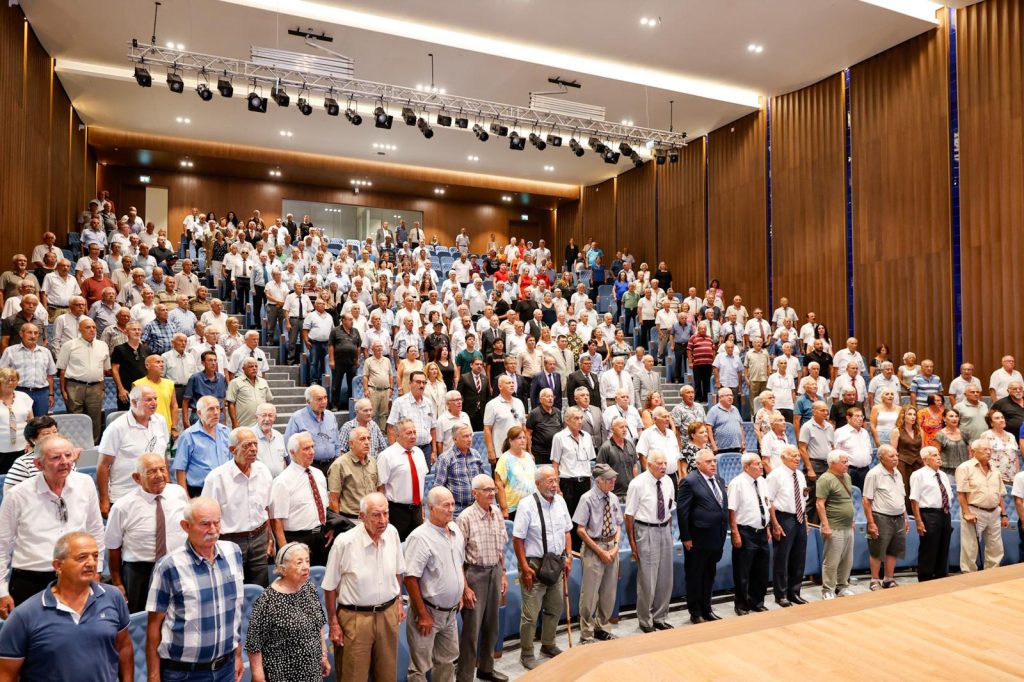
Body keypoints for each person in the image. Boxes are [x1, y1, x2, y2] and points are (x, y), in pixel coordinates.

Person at [0, 532, 133, 681]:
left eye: (95, 556)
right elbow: (6, 674)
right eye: (82, 557)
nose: (91, 563)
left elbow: (124, 647)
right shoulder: (24, 615)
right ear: (58, 565)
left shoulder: (113, 597)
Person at [0, 435, 104, 614]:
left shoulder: (85, 483)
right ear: (39, 464)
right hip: (31, 578)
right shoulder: (17, 496)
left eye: (68, 455)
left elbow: (95, 530)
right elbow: (2, 545)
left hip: (76, 575)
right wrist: (1, 591)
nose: (65, 462)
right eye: (56, 458)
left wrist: (97, 568)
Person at [145, 497, 246, 682]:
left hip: (226, 668)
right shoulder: (169, 566)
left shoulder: (234, 553)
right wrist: (153, 675)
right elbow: (153, 625)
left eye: (217, 522)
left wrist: (237, 655)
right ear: (185, 526)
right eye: (205, 524)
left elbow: (235, 612)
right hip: (184, 674)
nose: (213, 530)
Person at [323, 492, 405, 682]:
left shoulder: (392, 533)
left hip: (388, 614)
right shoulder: (344, 542)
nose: (382, 520)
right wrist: (334, 623)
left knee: (387, 675)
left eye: (386, 513)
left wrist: (399, 601)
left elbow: (398, 572)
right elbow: (329, 586)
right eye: (376, 515)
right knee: (353, 676)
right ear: (362, 517)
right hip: (355, 618)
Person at [105, 452, 187, 613]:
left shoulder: (178, 493)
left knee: (177, 613)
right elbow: (113, 547)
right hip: (140, 572)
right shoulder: (123, 506)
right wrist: (117, 582)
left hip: (177, 565)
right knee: (143, 617)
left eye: (162, 469)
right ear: (136, 478)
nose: (159, 475)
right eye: (151, 471)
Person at [512, 466, 572, 670]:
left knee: (555, 607)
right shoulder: (526, 505)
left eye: (555, 480)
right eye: (550, 481)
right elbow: (518, 538)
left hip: (556, 562)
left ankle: (548, 644)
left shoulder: (561, 502)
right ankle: (527, 653)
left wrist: (569, 556)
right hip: (534, 564)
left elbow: (567, 531)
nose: (554, 485)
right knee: (530, 614)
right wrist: (524, 567)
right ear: (538, 484)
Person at [403, 487, 465, 682]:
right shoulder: (420, 537)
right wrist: (422, 614)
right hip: (428, 612)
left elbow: (459, 564)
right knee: (420, 667)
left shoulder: (455, 530)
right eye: (446, 505)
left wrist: (462, 592)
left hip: (451, 613)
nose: (451, 509)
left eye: (453, 504)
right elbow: (410, 578)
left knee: (447, 661)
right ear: (431, 508)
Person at [245, 542, 329, 682]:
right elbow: (254, 644)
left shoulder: (309, 588)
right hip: (282, 674)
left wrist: (324, 655)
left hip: (312, 671)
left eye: (307, 561)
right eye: (299, 562)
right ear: (282, 569)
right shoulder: (268, 600)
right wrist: (258, 675)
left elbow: (318, 624)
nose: (306, 567)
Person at [202, 427, 273, 587]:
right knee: (232, 589)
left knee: (260, 589)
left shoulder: (263, 471)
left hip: (259, 537)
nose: (254, 449)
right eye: (247, 445)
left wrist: (269, 538)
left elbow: (266, 509)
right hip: (229, 541)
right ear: (232, 450)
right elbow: (205, 518)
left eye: (255, 444)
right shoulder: (216, 478)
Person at [455, 475, 509, 682]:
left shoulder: (496, 513)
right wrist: (465, 588)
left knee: (492, 624)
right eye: (486, 490)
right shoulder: (465, 518)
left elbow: (501, 548)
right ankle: (465, 675)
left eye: (493, 489)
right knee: (472, 629)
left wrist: (503, 574)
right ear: (474, 493)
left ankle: (486, 668)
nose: (491, 493)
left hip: (494, 570)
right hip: (474, 573)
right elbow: (458, 557)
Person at [97, 384, 170, 514]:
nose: (154, 403)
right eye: (149, 400)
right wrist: (104, 499)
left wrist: (167, 485)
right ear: (134, 402)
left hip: (155, 492)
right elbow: (103, 466)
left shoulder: (161, 421)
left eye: (155, 398)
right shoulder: (116, 428)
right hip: (125, 494)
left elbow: (163, 456)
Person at [677, 449, 728, 623]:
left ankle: (707, 608)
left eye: (714, 460)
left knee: (709, 575)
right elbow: (682, 511)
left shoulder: (720, 480)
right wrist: (685, 536)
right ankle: (695, 611)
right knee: (695, 575)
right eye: (708, 461)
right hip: (697, 539)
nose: (713, 464)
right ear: (698, 464)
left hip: (716, 537)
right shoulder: (689, 482)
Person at [574, 463, 622, 643]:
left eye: (614, 479)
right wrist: (600, 551)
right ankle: (586, 632)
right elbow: (580, 529)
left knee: (609, 592)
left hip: (611, 547)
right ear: (598, 481)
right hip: (594, 548)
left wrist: (616, 546)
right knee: (590, 594)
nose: (613, 482)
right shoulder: (587, 499)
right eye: (609, 479)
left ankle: (603, 627)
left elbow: (618, 524)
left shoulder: (613, 498)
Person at [270, 433, 330, 567]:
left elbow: (324, 506)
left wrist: (328, 527)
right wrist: (285, 551)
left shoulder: (318, 474)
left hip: (320, 537)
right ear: (292, 452)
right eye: (306, 448)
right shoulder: (282, 481)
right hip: (297, 540)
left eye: (312, 447)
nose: (312, 452)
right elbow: (276, 521)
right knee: (299, 584)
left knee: (320, 579)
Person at [955, 438, 1009, 572]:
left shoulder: (995, 469)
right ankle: (969, 575)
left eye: (990, 449)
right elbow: (961, 493)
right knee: (970, 547)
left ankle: (992, 574)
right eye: (985, 449)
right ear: (974, 451)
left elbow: (999, 493)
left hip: (994, 511)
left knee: (996, 547)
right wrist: (967, 512)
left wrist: (1004, 514)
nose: (989, 452)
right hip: (974, 510)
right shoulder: (965, 468)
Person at [728, 453, 772, 615]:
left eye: (761, 463)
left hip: (761, 530)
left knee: (761, 570)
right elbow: (731, 510)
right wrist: (735, 533)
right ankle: (741, 605)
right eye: (757, 464)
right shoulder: (737, 483)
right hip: (745, 531)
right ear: (747, 467)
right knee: (743, 572)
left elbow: (765, 505)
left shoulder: (762, 481)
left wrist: (767, 527)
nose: (761, 466)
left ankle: (757, 602)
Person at [766, 445, 808, 607]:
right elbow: (768, 501)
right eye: (793, 456)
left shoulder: (800, 474)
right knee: (782, 557)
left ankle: (794, 591)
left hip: (799, 518)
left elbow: (803, 497)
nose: (797, 458)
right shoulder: (775, 475)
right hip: (783, 518)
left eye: (798, 455)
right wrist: (774, 524)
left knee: (799, 557)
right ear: (783, 458)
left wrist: (804, 519)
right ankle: (781, 594)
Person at [862, 445, 908, 590]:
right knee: (877, 550)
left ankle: (889, 578)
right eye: (891, 456)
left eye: (896, 455)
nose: (895, 459)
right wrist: (871, 522)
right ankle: (874, 579)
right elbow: (866, 500)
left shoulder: (897, 472)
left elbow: (901, 496)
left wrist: (906, 517)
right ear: (881, 458)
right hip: (881, 516)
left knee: (894, 549)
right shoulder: (874, 474)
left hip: (899, 516)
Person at [57, 317, 110, 443]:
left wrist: (102, 388)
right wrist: (63, 391)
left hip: (96, 387)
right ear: (79, 329)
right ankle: (75, 445)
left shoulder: (103, 345)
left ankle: (94, 445)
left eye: (94, 327)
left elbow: (103, 369)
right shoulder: (69, 345)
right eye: (88, 327)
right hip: (74, 386)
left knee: (95, 419)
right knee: (75, 418)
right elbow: (62, 370)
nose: (92, 330)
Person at [377, 418, 429, 540]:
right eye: (408, 433)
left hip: (417, 510)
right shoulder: (386, 456)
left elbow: (420, 482)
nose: (413, 436)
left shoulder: (419, 453)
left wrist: (421, 509)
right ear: (398, 435)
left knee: (417, 547)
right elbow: (380, 487)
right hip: (396, 511)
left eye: (414, 432)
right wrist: (384, 514)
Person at [909, 445, 954, 582]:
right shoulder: (918, 475)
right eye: (934, 455)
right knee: (929, 549)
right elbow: (914, 499)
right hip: (928, 514)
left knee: (943, 547)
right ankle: (925, 579)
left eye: (938, 454)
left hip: (945, 513)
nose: (938, 457)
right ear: (925, 459)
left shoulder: (943, 475)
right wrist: (918, 521)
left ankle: (940, 577)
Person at [173, 395, 231, 497]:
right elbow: (180, 470)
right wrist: (186, 499)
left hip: (225, 489)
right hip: (199, 491)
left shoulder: (226, 432)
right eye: (211, 409)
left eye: (218, 408)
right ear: (199, 413)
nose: (216, 413)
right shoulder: (188, 436)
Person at [816, 450, 855, 599]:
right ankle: (828, 589)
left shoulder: (847, 477)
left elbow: (848, 498)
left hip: (847, 525)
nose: (847, 464)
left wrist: (852, 519)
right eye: (844, 462)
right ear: (833, 463)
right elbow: (820, 503)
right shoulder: (825, 479)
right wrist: (825, 525)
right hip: (833, 525)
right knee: (832, 560)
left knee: (847, 560)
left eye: (847, 461)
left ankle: (843, 586)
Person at [0, 324, 55, 421]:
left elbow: (50, 375)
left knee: (41, 423)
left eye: (36, 333)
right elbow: (2, 374)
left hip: (41, 393)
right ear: (21, 334)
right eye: (29, 332)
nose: (33, 336)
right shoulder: (10, 351)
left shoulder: (46, 352)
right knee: (20, 421)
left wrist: (51, 394)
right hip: (18, 391)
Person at [284, 385, 341, 477]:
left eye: (325, 398)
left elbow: (337, 443)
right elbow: (289, 447)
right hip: (309, 466)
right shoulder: (297, 418)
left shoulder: (331, 416)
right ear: (308, 402)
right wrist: (298, 470)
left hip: (331, 465)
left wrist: (337, 461)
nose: (323, 402)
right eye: (319, 399)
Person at [327, 425, 379, 520]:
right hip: (351, 518)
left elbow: (379, 489)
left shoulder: (373, 462)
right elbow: (333, 500)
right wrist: (339, 523)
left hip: (372, 517)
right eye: (362, 439)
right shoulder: (339, 465)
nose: (367, 442)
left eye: (368, 438)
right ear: (351, 444)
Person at [798, 401, 834, 524]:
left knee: (827, 497)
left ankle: (822, 525)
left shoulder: (829, 426)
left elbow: (832, 446)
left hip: (828, 465)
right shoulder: (807, 426)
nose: (825, 413)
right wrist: (809, 468)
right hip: (814, 464)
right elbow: (802, 448)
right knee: (813, 497)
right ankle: (810, 526)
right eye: (822, 410)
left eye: (826, 410)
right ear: (814, 411)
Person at [494, 426, 536, 521]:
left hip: (532, 505)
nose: (522, 440)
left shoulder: (528, 457)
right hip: (514, 508)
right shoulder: (504, 459)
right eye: (519, 438)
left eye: (524, 438)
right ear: (511, 441)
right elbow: (499, 485)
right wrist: (504, 509)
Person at [0, 368, 33, 474]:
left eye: (14, 380)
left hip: (23, 446)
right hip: (1, 448)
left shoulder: (24, 397)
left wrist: (31, 442)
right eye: (7, 380)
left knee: (21, 476)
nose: (11, 383)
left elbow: (31, 423)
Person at [182, 351, 228, 427]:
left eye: (215, 360)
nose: (213, 363)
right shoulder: (195, 378)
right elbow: (185, 401)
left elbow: (222, 401)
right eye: (210, 360)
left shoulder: (221, 378)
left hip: (218, 417)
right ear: (203, 363)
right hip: (200, 416)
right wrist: (185, 421)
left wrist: (224, 421)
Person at [597, 417, 638, 499]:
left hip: (630, 493)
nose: (625, 429)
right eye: (621, 427)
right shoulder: (606, 447)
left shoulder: (630, 445)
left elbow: (634, 467)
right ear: (612, 429)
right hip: (612, 494)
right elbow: (600, 471)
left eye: (626, 427)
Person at [225, 357, 273, 428]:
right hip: (244, 424)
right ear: (243, 369)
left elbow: (269, 401)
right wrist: (234, 422)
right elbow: (230, 404)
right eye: (251, 366)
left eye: (256, 366)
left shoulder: (263, 382)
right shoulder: (235, 382)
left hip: (261, 424)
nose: (254, 368)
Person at [979, 408, 1021, 484]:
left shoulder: (1011, 436)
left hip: (1012, 476)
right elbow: (982, 456)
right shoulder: (986, 435)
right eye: (997, 418)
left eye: (1002, 417)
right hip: (994, 477)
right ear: (991, 423)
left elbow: (1015, 456)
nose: (1001, 420)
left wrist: (1017, 473)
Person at [706, 387, 743, 454]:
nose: (730, 397)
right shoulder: (714, 410)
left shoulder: (735, 409)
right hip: (721, 448)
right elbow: (708, 428)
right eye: (727, 395)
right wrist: (713, 444)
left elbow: (741, 426)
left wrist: (742, 442)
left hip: (737, 447)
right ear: (720, 398)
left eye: (731, 395)